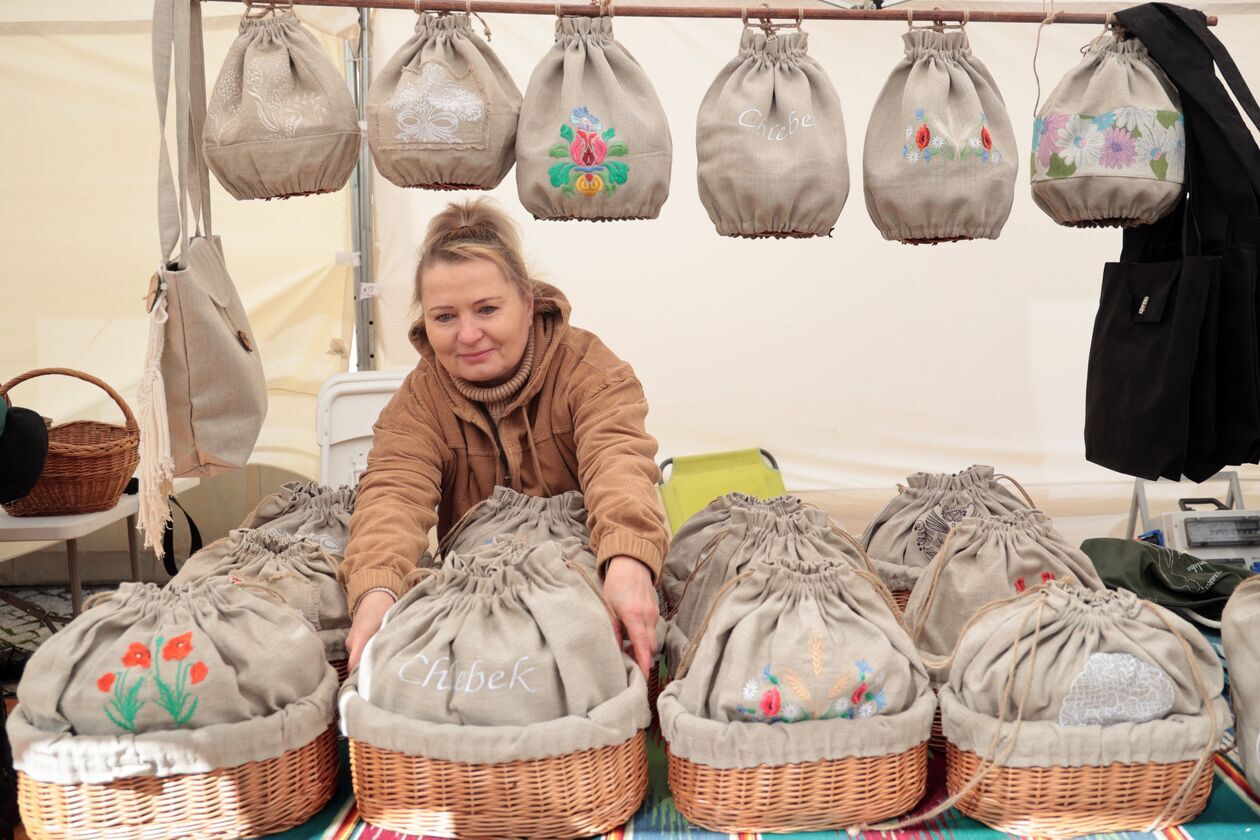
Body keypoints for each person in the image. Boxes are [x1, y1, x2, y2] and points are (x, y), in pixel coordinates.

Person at [340, 197, 669, 678]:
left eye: (487, 309)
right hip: (475, 612)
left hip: (586, 595)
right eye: (445, 317)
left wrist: (627, 560)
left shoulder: (591, 371)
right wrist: (376, 590)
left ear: (528, 303)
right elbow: (393, 494)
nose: (468, 334)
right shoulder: (419, 400)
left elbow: (619, 464)